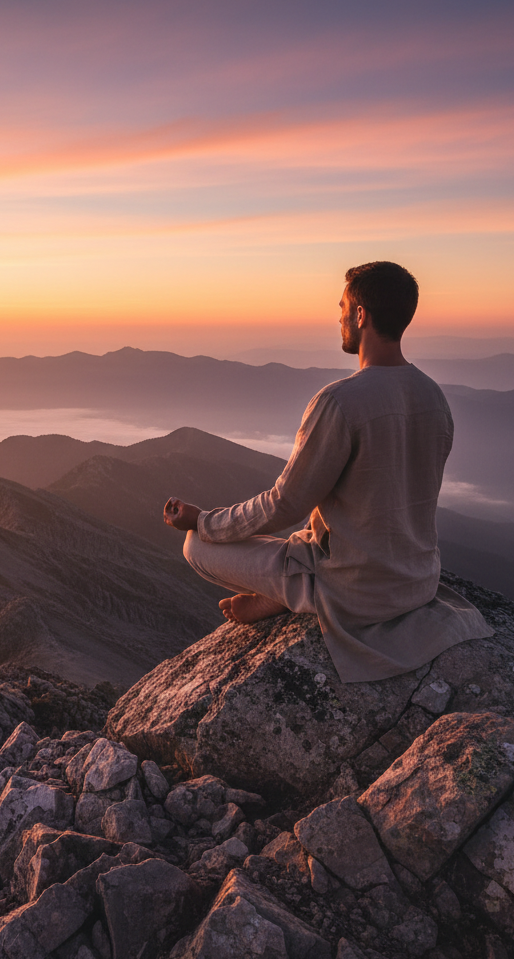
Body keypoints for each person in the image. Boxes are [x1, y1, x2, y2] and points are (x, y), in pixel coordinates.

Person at [163, 261, 493, 684]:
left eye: (342, 307)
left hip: (350, 588)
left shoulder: (340, 401)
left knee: (195, 547)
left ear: (360, 316)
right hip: (416, 581)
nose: (338, 317)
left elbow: (286, 503)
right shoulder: (434, 396)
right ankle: (286, 591)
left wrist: (203, 521)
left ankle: (290, 595)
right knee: (305, 537)